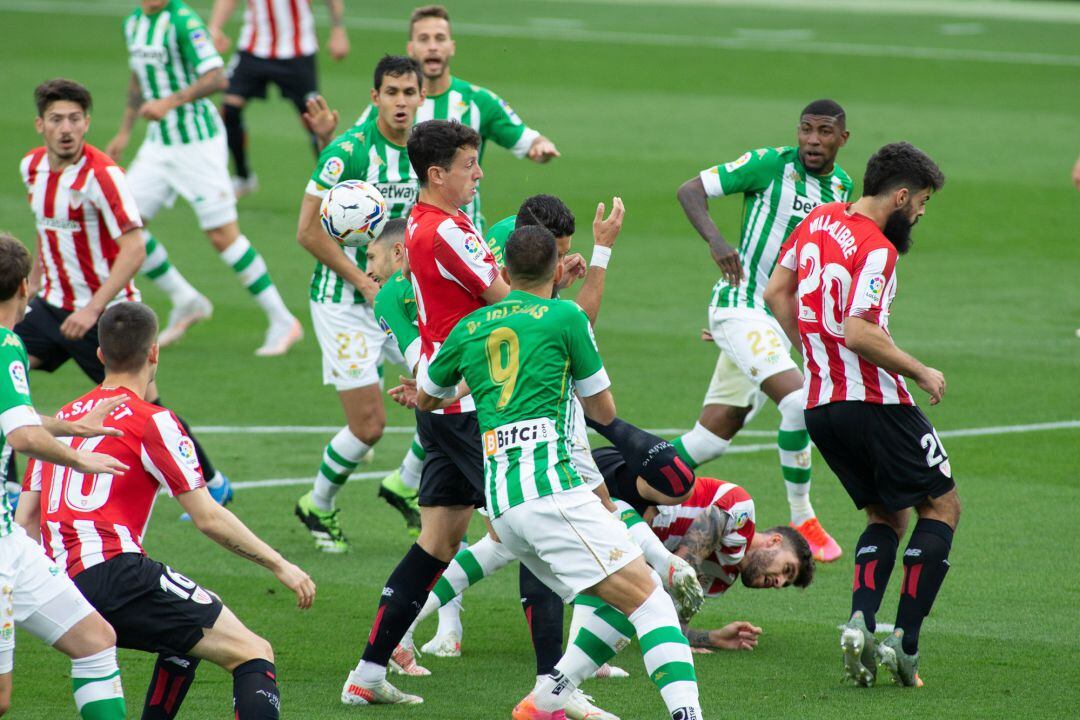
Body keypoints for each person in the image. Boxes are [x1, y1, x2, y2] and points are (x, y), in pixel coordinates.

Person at [417, 225, 702, 720]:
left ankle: (545, 701)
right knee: (652, 602)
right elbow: (603, 409)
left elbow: (427, 397)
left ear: (503, 272)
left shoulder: (470, 327)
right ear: (555, 270)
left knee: (617, 600)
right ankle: (689, 715)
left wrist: (478, 387)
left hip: (503, 506)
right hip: (551, 494)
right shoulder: (565, 316)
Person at [17, 301, 317, 719]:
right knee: (252, 652)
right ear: (154, 352)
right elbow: (208, 517)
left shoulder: (60, 420)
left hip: (58, 584)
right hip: (116, 571)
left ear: (100, 354)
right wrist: (279, 563)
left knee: (185, 636)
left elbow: (26, 521)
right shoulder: (152, 421)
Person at [765, 141, 957, 688]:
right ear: (899, 195)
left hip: (822, 406)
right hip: (876, 403)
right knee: (941, 507)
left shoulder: (819, 218)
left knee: (885, 517)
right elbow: (860, 331)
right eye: (920, 201)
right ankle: (907, 646)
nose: (920, 212)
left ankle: (860, 622)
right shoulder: (878, 249)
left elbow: (777, 291)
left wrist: (810, 352)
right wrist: (921, 371)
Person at [17, 78, 233, 517]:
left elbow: (135, 248)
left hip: (106, 314)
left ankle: (210, 484)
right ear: (40, 124)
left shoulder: (103, 175)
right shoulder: (32, 168)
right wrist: (33, 288)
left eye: (75, 119)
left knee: (147, 408)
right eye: (56, 119)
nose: (66, 128)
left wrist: (92, 309)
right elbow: (47, 230)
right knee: (6, 387)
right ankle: (8, 487)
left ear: (87, 123)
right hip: (50, 310)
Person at [672, 99, 854, 563]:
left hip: (769, 322)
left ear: (842, 139)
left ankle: (625, 479)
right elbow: (690, 190)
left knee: (710, 440)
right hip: (740, 307)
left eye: (825, 132)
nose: (813, 139)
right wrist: (716, 241)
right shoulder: (768, 165)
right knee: (799, 402)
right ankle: (803, 517)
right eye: (807, 129)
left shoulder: (842, 188)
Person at [106, 0, 301, 354]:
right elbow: (138, 78)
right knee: (124, 226)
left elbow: (216, 76)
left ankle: (283, 320)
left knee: (222, 236)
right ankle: (186, 299)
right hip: (158, 144)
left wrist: (169, 102)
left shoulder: (183, 21)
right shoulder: (133, 23)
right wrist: (124, 131)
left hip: (198, 144)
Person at [292, 55, 425, 553]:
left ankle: (404, 482)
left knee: (447, 383)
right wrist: (364, 282)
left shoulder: (422, 149)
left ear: (419, 97)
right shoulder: (348, 151)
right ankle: (317, 504)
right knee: (369, 425)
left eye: (408, 92)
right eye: (391, 92)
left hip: (398, 297)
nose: (400, 101)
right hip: (343, 302)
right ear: (375, 98)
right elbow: (307, 230)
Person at [0, 233, 129, 719]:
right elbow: (22, 437)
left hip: (10, 539)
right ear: (26, 287)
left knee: (95, 640)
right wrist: (82, 457)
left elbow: (15, 414)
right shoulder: (6, 343)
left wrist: (76, 426)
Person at [351, 5, 559, 233]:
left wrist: (541, 148)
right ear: (411, 48)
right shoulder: (392, 105)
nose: (432, 46)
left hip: (465, 235)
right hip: (408, 237)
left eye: (440, 38)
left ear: (451, 47)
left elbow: (529, 141)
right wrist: (324, 136)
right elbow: (352, 150)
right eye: (424, 39)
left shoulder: (478, 101)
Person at [591, 446, 813, 651]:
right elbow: (681, 569)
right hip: (616, 479)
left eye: (785, 584)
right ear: (774, 541)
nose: (779, 583)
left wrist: (714, 637)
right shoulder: (742, 512)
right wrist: (679, 588)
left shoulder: (721, 581)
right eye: (787, 570)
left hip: (608, 534)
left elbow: (665, 617)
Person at [207, 0, 350, 196]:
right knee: (229, 109)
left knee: (314, 119)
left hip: (297, 51)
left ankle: (334, 187)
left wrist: (338, 31)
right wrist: (214, 27)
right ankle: (243, 177)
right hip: (253, 48)